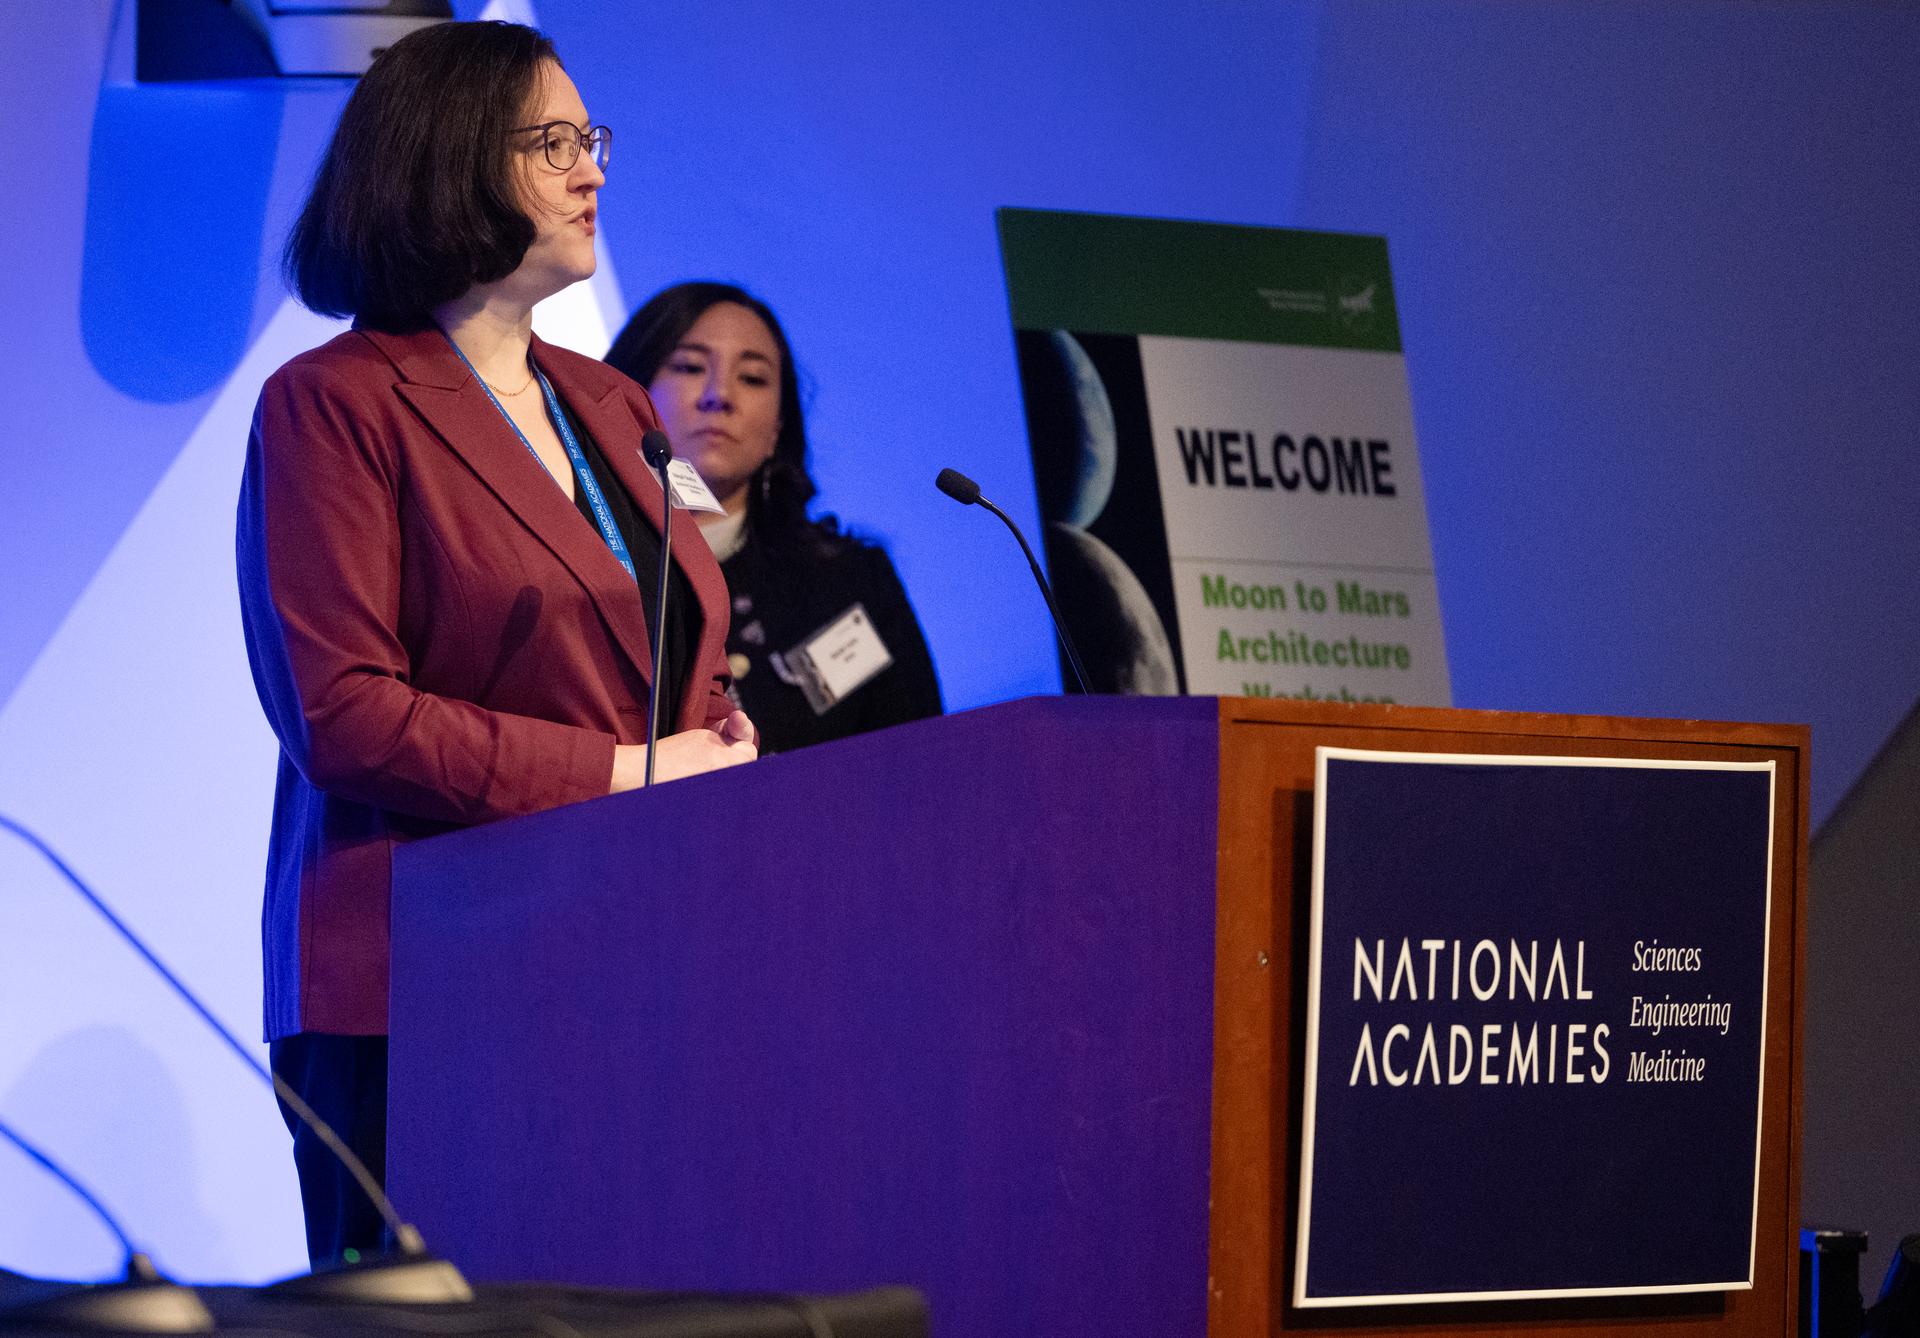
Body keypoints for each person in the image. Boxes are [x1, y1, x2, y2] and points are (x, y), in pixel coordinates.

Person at [236, 21, 755, 1266]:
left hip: (632, 959)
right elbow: (347, 714)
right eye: (556, 143)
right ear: (453, 160)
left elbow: (665, 646)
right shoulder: (335, 402)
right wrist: (625, 775)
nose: (595, 171)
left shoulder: (613, 403)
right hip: (420, 978)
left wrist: (723, 733)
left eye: (595, 141)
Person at [605, 284, 942, 753]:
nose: (718, 396)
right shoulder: (584, 575)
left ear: (777, 430)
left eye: (753, 378)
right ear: (622, 397)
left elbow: (920, 759)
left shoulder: (847, 581)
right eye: (689, 367)